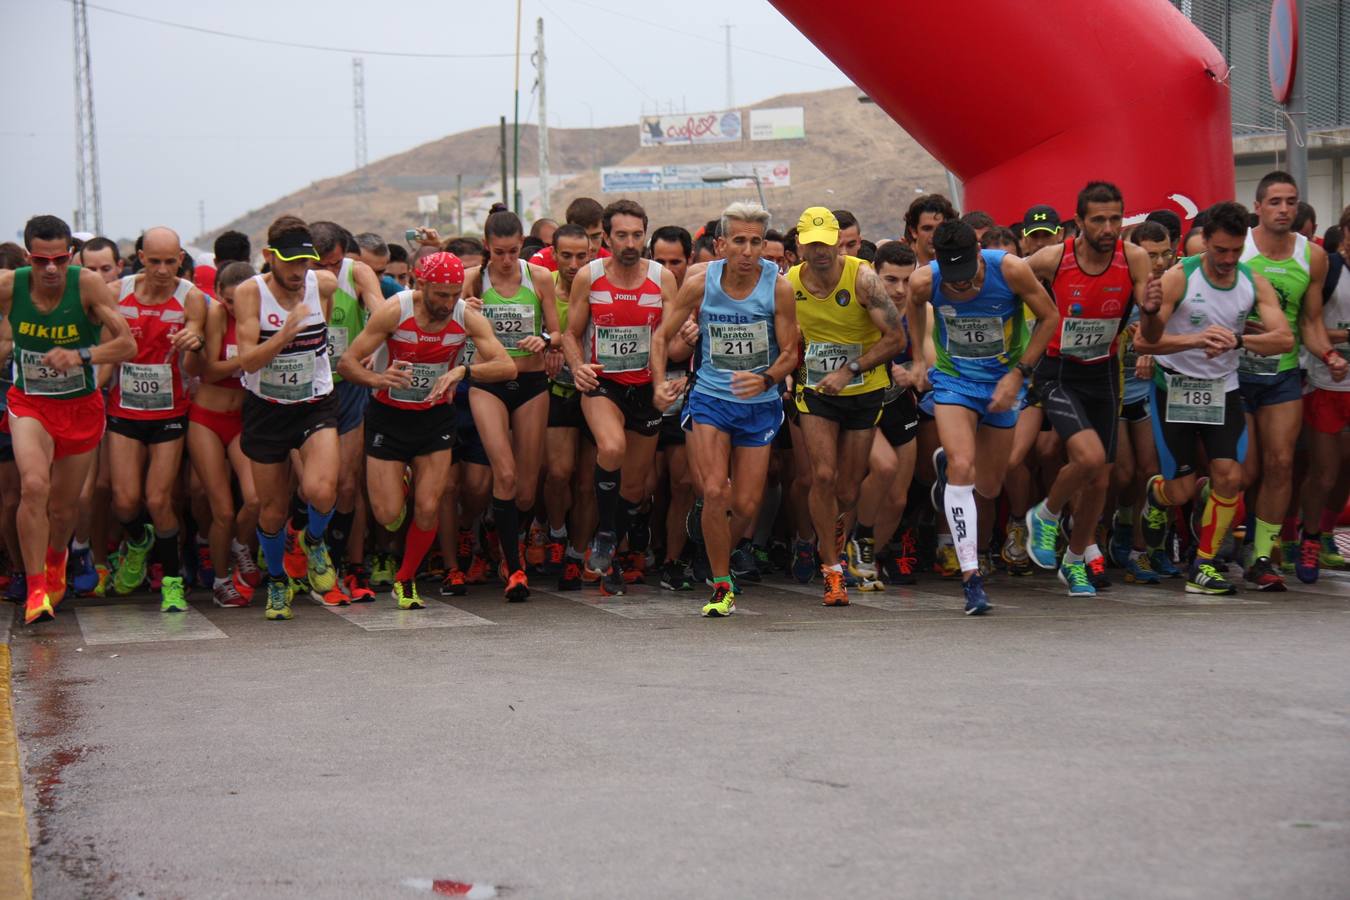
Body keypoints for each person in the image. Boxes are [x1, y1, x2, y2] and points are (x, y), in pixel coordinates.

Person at [339, 251, 514, 608]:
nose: (449, 303)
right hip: (389, 416)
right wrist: (377, 378)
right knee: (387, 516)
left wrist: (464, 372)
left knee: (429, 506)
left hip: (435, 418)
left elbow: (506, 366)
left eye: (454, 294)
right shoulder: (394, 311)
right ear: (421, 285)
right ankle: (401, 480)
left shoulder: (465, 316)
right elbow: (346, 364)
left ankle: (406, 580)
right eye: (441, 295)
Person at [1135, 201, 1292, 595]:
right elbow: (1145, 341)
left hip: (1223, 391)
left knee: (1230, 477)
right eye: (1220, 250)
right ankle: (1157, 497)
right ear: (1205, 241)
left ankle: (1203, 565)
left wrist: (1239, 339)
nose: (1227, 259)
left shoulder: (1251, 281)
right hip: (1175, 389)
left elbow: (1284, 339)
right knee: (1182, 491)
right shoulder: (1179, 277)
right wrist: (1189, 335)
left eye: (1236, 251)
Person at [652, 201, 798, 616]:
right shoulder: (701, 283)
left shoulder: (779, 287)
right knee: (716, 490)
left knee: (747, 505)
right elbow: (662, 337)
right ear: (721, 244)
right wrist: (660, 383)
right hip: (711, 399)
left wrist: (767, 378)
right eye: (739, 241)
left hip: (759, 403)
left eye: (755, 241)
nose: (748, 251)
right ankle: (720, 583)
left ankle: (712, 537)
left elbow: (790, 352)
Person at [907, 220, 1059, 614]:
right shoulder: (925, 281)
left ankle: (950, 473)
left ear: (978, 253)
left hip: (1003, 383)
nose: (959, 286)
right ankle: (971, 578)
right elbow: (913, 310)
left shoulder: (1009, 269)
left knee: (990, 486)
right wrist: (920, 360)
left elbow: (1049, 318)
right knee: (962, 465)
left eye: (967, 276)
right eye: (952, 280)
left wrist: (1019, 373)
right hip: (955, 381)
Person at [1021, 182, 1157, 595]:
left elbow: (1149, 333)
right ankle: (1045, 515)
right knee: (1090, 457)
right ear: (1078, 223)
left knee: (1100, 479)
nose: (1108, 227)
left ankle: (1076, 558)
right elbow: (1011, 286)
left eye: (1115, 218)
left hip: (1103, 374)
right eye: (1098, 219)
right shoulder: (1053, 257)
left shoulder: (1133, 259)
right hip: (1059, 372)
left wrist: (1150, 310)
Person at [0, 215, 135, 624]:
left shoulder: (87, 285)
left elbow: (126, 343)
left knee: (64, 508)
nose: (52, 269)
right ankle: (36, 586)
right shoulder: (10, 286)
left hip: (79, 405)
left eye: (59, 258)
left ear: (71, 255)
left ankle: (58, 559)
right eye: (42, 261)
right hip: (30, 403)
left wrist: (81, 355)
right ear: (28, 258)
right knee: (34, 486)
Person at [788, 207, 905, 606]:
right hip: (816, 392)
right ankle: (831, 569)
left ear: (839, 240)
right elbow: (782, 337)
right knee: (822, 475)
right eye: (813, 242)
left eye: (828, 241)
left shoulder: (862, 278)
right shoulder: (788, 284)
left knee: (848, 489)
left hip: (863, 390)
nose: (821, 250)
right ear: (800, 244)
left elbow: (895, 339)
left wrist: (850, 369)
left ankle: (835, 541)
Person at [562, 199, 676, 593]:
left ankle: (606, 547)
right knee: (611, 448)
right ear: (606, 237)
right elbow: (570, 334)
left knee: (635, 487)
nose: (630, 243)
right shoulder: (590, 276)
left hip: (645, 386)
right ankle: (607, 537)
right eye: (622, 235)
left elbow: (669, 338)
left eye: (637, 235)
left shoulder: (662, 278)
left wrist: (679, 351)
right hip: (602, 384)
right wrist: (577, 365)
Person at [232, 216, 342, 621]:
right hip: (267, 408)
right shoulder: (250, 294)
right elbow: (247, 360)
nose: (299, 272)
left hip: (314, 401)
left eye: (306, 262)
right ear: (269, 257)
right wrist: (283, 335)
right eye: (291, 262)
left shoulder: (322, 285)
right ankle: (278, 580)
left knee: (324, 488)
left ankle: (314, 540)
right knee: (273, 509)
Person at [103, 227, 208, 612]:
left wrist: (192, 339)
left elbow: (197, 328)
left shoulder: (191, 297)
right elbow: (105, 348)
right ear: (141, 258)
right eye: (154, 261)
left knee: (159, 499)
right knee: (125, 501)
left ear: (180, 258)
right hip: (124, 410)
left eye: (170, 261)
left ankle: (173, 582)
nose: (162, 270)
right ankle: (137, 540)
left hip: (169, 412)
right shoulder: (117, 293)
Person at [1237, 172, 1332, 590]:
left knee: (1281, 464)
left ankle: (1261, 556)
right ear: (1257, 207)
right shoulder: (1236, 248)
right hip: (1235, 372)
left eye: (1291, 202)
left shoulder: (1312, 257)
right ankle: (1218, 534)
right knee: (1245, 470)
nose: (1284, 210)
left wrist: (1327, 353)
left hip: (1283, 374)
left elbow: (1310, 321)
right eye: (1274, 202)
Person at [464, 211, 561, 601]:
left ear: (522, 245)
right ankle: (515, 568)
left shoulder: (537, 278)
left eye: (513, 251)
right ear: (487, 246)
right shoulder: (472, 279)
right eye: (499, 252)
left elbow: (557, 330)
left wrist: (544, 338)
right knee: (502, 474)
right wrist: (464, 310)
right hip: (488, 383)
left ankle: (498, 530)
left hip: (531, 382)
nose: (506, 260)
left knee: (523, 490)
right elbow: (450, 328)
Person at [310, 221, 386, 600]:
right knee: (312, 486)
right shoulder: (291, 280)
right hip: (306, 395)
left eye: (335, 265)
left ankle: (343, 564)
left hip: (348, 387)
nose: (329, 274)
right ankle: (306, 551)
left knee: (347, 483)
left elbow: (381, 310)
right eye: (320, 267)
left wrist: (378, 341)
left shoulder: (358, 272)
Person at [187, 262, 262, 607]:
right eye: (230, 300)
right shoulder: (216, 315)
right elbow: (210, 372)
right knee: (223, 512)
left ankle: (240, 547)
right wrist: (251, 358)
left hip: (243, 420)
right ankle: (219, 580)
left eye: (241, 300)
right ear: (219, 296)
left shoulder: (261, 314)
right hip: (207, 418)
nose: (236, 307)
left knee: (256, 499)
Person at [848, 240, 920, 587]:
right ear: (873, 275)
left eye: (907, 280)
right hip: (862, 403)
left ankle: (869, 559)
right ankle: (855, 542)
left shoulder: (921, 309)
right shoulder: (863, 307)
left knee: (897, 497)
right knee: (883, 467)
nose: (899, 289)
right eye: (891, 280)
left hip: (898, 404)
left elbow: (930, 355)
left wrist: (918, 371)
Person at [539, 224, 597, 592]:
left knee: (587, 483)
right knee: (559, 473)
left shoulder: (601, 287)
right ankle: (556, 533)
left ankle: (577, 555)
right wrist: (546, 343)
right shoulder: (544, 288)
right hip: (557, 392)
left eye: (582, 256)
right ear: (554, 254)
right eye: (566, 256)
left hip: (594, 393)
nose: (574, 264)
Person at [1295, 208, 1350, 582]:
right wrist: (1340, 342)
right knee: (1325, 474)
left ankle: (1325, 533)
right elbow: (1306, 326)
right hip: (1328, 384)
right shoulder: (1330, 269)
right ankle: (1309, 539)